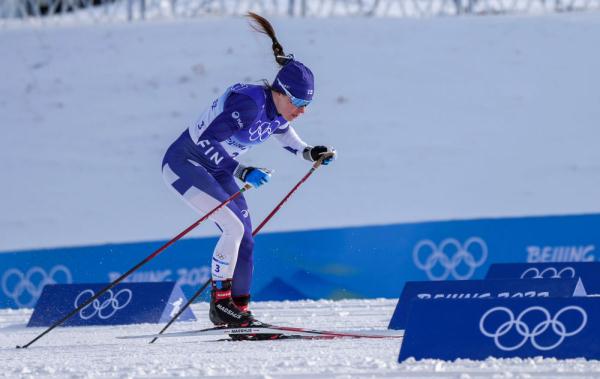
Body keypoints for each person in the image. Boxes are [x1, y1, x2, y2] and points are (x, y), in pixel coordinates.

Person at [161, 12, 336, 327]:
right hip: (185, 163)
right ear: (279, 91)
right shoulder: (249, 104)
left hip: (218, 169)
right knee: (233, 228)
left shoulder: (277, 109)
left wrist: (307, 152)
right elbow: (205, 142)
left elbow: (280, 129)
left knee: (246, 238)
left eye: (307, 105)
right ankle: (220, 305)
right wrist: (242, 171)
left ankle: (238, 308)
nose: (301, 110)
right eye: (297, 101)